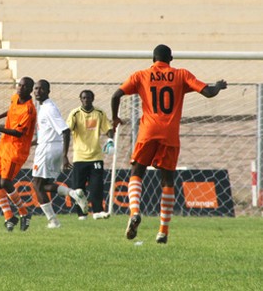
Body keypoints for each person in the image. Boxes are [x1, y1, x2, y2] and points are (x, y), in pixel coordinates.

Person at [111, 44, 227, 244]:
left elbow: (116, 95)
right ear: (171, 58)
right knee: (167, 181)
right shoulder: (181, 75)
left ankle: (135, 211)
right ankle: (163, 231)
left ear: (152, 59)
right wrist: (218, 85)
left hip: (147, 132)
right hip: (170, 134)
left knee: (137, 172)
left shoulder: (140, 75)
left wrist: (115, 119)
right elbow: (208, 92)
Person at [32, 80, 89, 228]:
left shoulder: (49, 108)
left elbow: (65, 130)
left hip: (48, 150)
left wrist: (65, 155)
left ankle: (53, 221)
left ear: (48, 91)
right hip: (50, 147)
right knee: (44, 185)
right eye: (35, 89)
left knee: (36, 185)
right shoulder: (43, 107)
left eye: (41, 89)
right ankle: (73, 194)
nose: (37, 91)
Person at [0, 77, 37, 232]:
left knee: (5, 182)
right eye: (19, 85)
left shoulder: (29, 109)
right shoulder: (15, 98)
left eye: (24, 86)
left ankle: (24, 212)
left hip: (16, 151)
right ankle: (9, 216)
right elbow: (11, 110)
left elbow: (18, 133)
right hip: (4, 146)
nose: (20, 88)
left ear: (30, 89)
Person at [66, 89, 114, 220]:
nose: (86, 100)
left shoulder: (99, 113)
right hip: (79, 157)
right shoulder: (75, 114)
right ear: (80, 99)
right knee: (78, 189)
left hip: (96, 156)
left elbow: (108, 128)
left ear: (93, 99)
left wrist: (110, 140)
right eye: (84, 98)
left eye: (88, 98)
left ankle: (98, 211)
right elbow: (67, 130)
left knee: (97, 185)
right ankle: (81, 214)